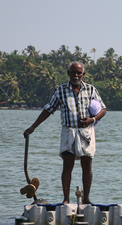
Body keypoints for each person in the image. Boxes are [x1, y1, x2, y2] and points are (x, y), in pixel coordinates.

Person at [23, 61, 106, 204]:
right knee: (68, 164)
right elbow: (49, 109)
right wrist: (33, 127)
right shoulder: (61, 90)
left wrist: (92, 119)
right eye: (73, 72)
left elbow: (103, 109)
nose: (76, 75)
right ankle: (66, 199)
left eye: (79, 72)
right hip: (69, 131)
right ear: (68, 73)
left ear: (83, 74)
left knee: (87, 165)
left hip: (86, 131)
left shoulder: (90, 89)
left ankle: (86, 199)